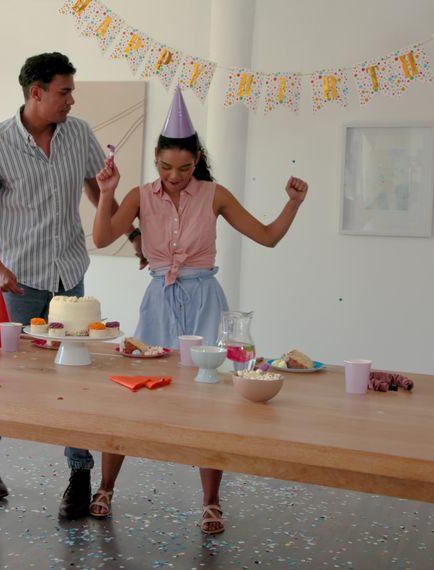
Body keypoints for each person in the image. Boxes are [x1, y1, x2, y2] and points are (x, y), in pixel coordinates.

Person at [89, 87, 308, 534]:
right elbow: (101, 237)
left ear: (196, 162)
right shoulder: (138, 195)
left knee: (210, 401)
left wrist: (293, 203)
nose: (175, 176)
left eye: (185, 168)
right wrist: (107, 192)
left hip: (206, 300)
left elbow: (267, 236)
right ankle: (106, 487)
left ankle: (211, 502)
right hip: (158, 302)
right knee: (132, 394)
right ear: (155, 159)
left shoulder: (214, 194)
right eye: (166, 167)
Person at [0, 52, 144, 519]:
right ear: (36, 93)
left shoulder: (79, 132)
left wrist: (133, 235)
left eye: (71, 91)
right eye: (63, 91)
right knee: (13, 379)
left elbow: (95, 190)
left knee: (75, 378)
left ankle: (79, 475)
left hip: (70, 274)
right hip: (20, 282)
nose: (71, 99)